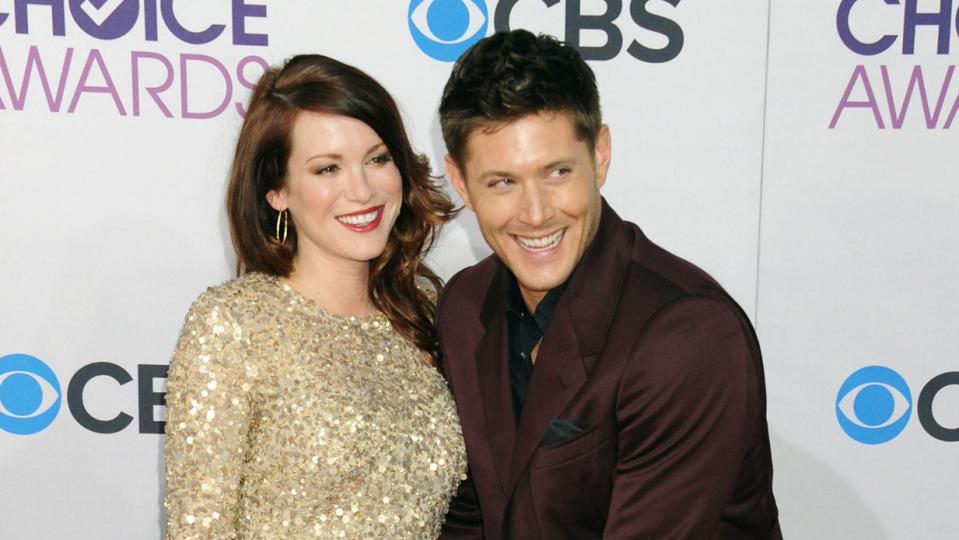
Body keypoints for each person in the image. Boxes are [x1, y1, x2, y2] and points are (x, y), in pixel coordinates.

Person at [436, 30, 782, 539]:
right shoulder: (465, 305)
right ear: (461, 182)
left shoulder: (687, 334)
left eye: (556, 172)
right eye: (502, 182)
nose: (535, 214)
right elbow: (469, 519)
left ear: (600, 155)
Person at [163, 54, 466, 538]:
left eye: (378, 159)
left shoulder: (431, 316)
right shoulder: (234, 325)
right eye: (327, 169)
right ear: (277, 190)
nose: (362, 190)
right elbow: (199, 526)